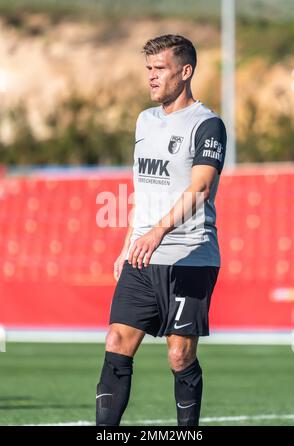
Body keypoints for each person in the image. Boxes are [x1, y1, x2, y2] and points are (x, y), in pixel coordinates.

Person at [96, 34, 227, 426]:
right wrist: (129, 243)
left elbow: (201, 188)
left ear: (185, 72)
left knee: (179, 355)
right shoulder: (144, 120)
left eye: (160, 69)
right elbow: (144, 190)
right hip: (142, 255)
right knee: (117, 342)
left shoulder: (208, 125)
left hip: (190, 257)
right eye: (148, 70)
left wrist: (158, 233)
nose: (152, 77)